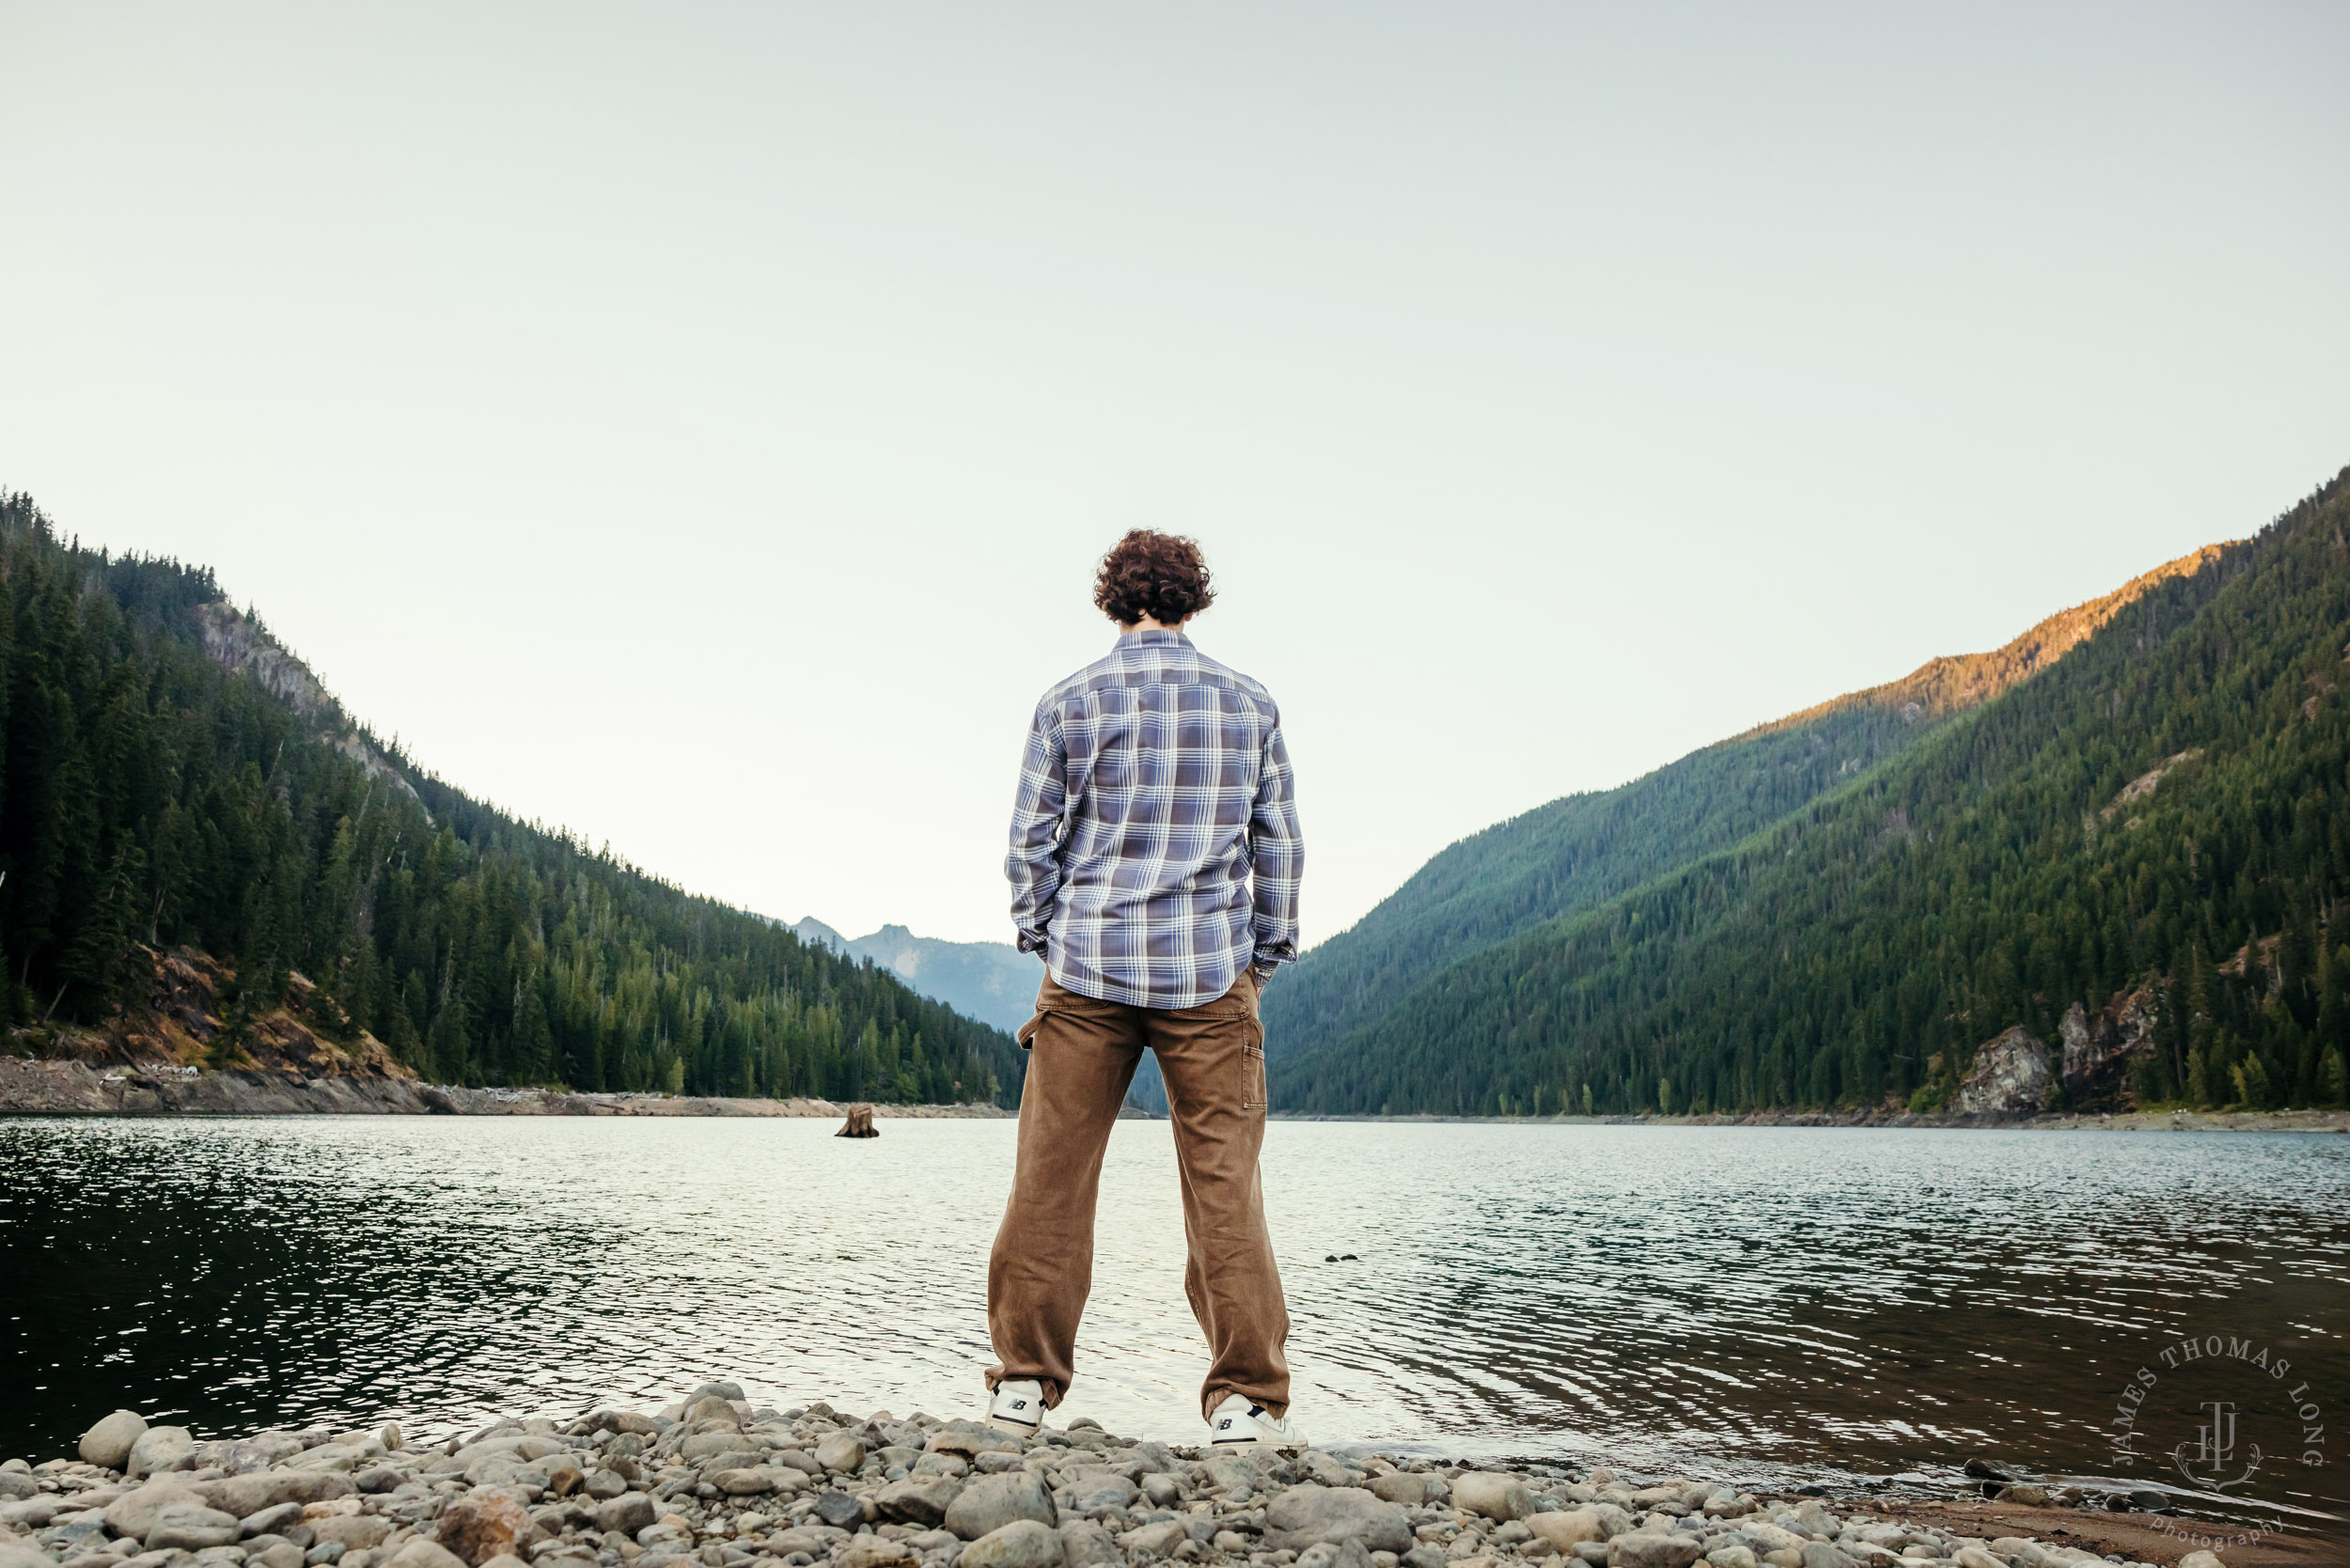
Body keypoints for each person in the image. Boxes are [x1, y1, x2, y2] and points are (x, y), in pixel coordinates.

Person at [984, 528, 1305, 1449]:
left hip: (1087, 968)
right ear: (1194, 600)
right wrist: (1263, 954)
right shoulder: (1248, 704)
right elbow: (1276, 842)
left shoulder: (1068, 702)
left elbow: (1028, 846)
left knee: (1050, 1179)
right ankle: (1244, 1399)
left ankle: (1024, 1387)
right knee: (1224, 1189)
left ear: (1113, 598)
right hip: (1210, 973)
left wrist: (1052, 936)